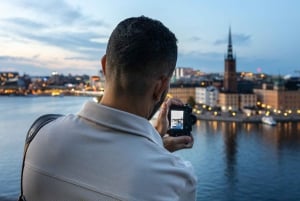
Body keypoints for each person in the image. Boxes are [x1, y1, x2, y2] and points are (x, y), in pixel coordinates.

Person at [23, 16, 197, 201]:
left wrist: (156, 143)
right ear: (160, 86)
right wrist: (156, 147)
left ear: (105, 66)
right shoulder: (176, 179)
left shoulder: (39, 136)